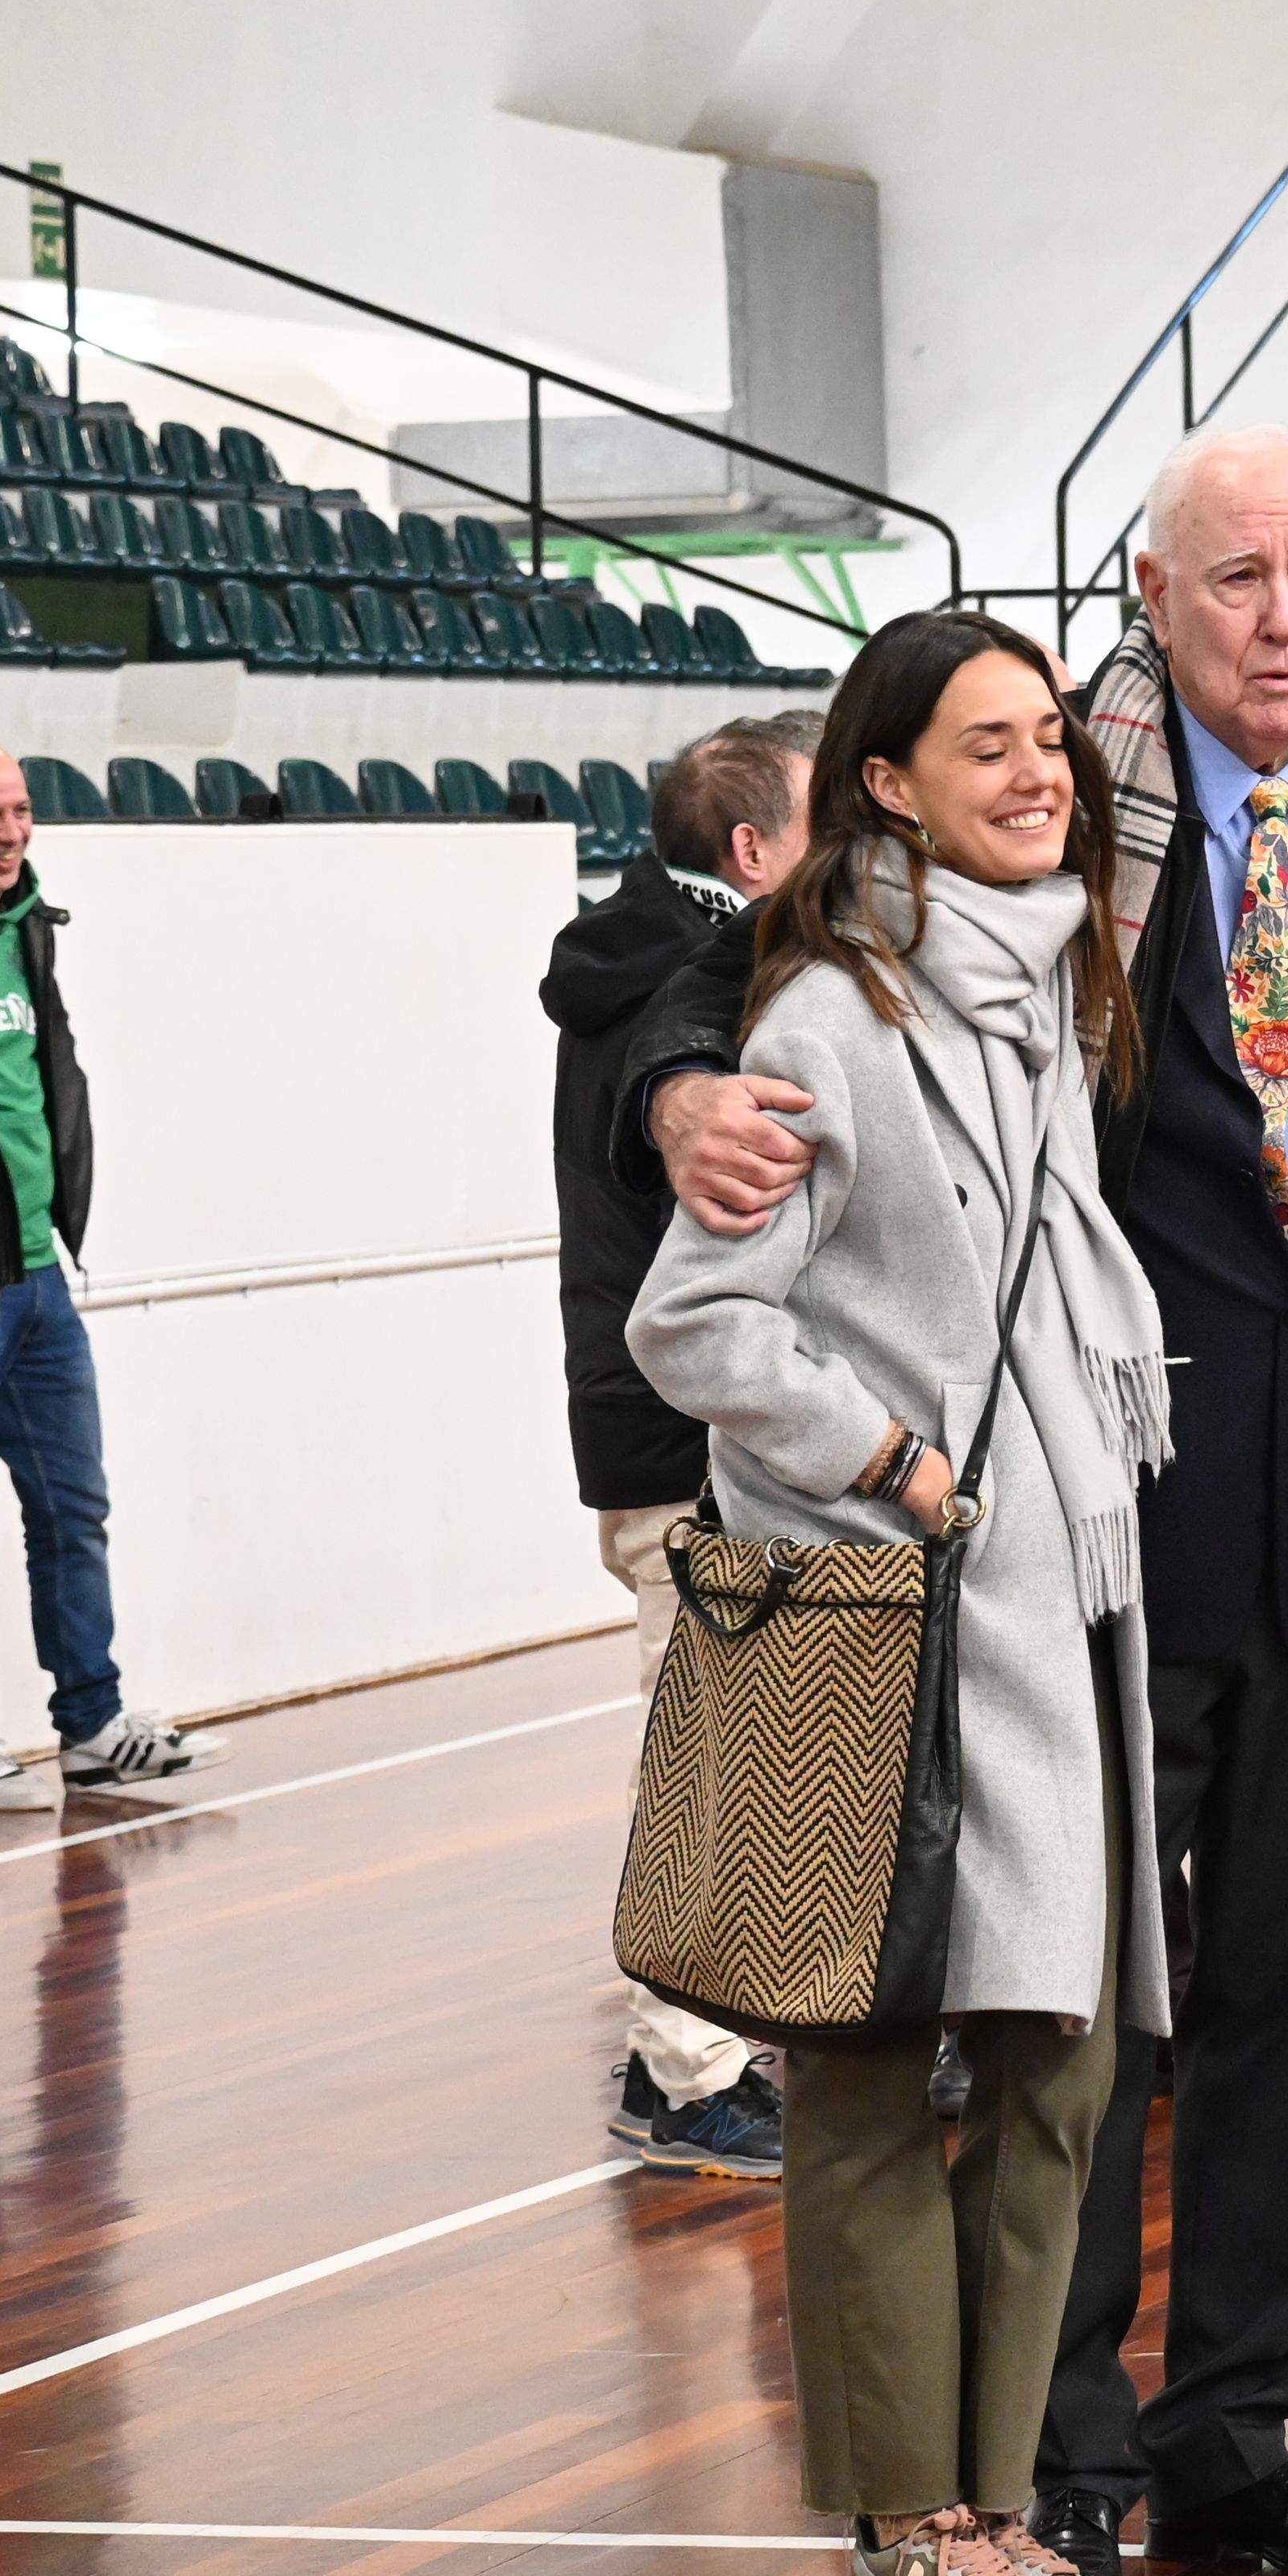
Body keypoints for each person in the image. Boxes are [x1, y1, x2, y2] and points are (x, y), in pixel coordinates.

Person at [606, 426, 1288, 2576]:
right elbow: (717, 960)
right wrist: (675, 1090)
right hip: (1098, 1512)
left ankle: (1238, 2425)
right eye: (1238, 580)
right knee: (1083, 2004)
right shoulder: (1061, 808)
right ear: (1153, 590)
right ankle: (1065, 2435)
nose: (1284, 619)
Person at [625, 611, 1174, 2576]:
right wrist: (897, 1459)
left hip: (1063, 1605)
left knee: (1059, 2063)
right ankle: (904, 2527)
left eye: (1050, 739)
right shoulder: (826, 1030)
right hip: (907, 1607)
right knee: (867, 2079)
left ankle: (992, 2507)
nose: (1039, 774)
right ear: (882, 781)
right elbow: (693, 1323)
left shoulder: (1047, 988)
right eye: (988, 746)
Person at [542, 711, 816, 2179]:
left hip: (673, 1426)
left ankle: (725, 2035)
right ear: (753, 849)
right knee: (699, 1758)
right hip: (677, 1434)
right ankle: (680, 2070)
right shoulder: (678, 995)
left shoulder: (645, 969)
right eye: (826, 819)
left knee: (740, 1749)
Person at [0, 738, 204, 1829]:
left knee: (74, 1506)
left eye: (21, 813)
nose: (12, 835)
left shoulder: (25, 926)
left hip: (37, 1275)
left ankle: (95, 1725)